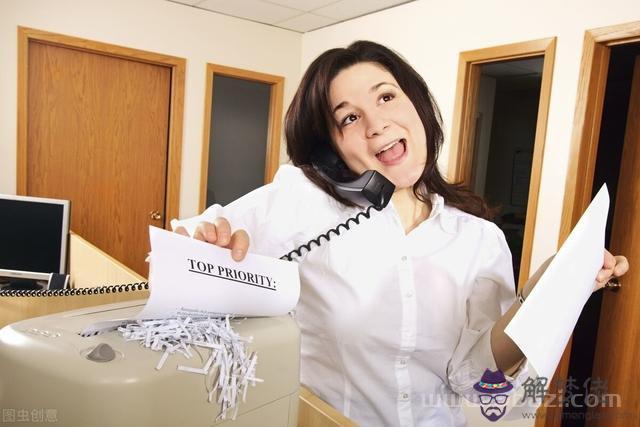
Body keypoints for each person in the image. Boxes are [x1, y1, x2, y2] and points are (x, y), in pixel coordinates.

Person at [171, 41, 628, 426]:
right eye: (349, 118)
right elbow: (192, 242)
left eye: (386, 97)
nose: (377, 124)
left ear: (417, 104)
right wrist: (208, 246)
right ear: (331, 149)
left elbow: (475, 379)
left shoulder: (479, 238)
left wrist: (543, 293)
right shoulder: (302, 202)